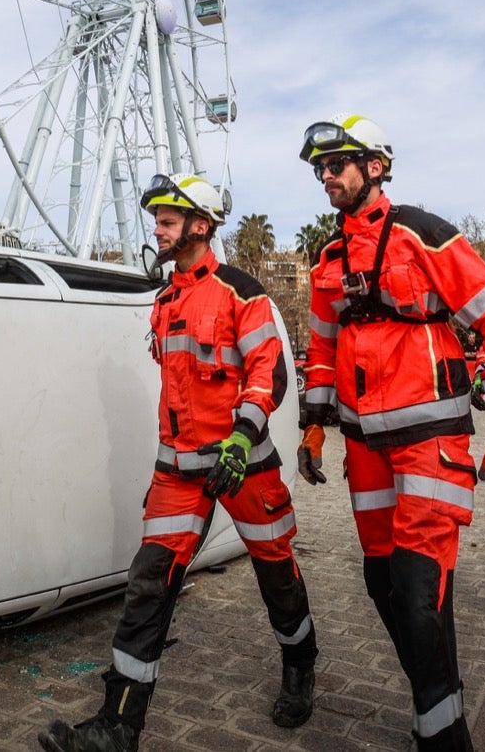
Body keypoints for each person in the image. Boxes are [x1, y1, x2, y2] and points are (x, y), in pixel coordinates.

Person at [39, 174, 316, 752]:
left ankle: (300, 664)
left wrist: (242, 438)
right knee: (148, 583)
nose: (157, 229)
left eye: (167, 220)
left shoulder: (243, 292)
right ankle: (117, 727)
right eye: (157, 220)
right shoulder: (164, 302)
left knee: (276, 570)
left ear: (200, 226)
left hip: (246, 466)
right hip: (179, 473)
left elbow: (271, 371)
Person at [292, 115, 485, 752]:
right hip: (365, 447)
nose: (326, 177)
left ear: (374, 166)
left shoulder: (421, 233)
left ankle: (444, 737)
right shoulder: (328, 259)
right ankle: (442, 703)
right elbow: (321, 347)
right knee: (383, 583)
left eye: (337, 164)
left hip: (431, 436)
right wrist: (314, 426)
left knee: (420, 589)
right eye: (319, 169)